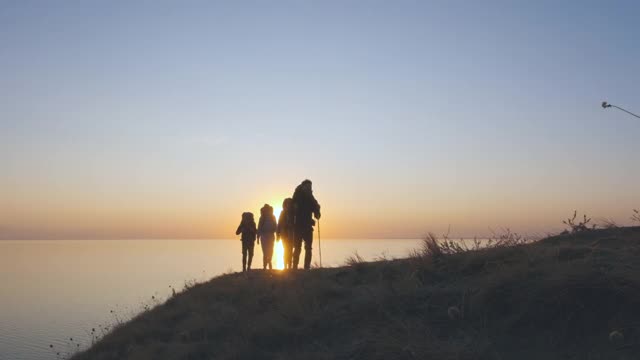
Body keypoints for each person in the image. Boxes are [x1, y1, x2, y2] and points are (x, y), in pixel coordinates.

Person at [292, 179, 321, 270]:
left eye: (310, 187)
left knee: (308, 248)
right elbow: (293, 209)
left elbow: (316, 209)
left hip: (308, 226)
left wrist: (317, 213)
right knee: (297, 248)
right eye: (308, 186)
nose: (309, 188)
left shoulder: (311, 197)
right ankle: (295, 267)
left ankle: (306, 267)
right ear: (303, 187)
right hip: (298, 226)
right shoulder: (297, 196)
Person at [257, 204, 277, 270]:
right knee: (265, 251)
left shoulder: (272, 217)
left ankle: (269, 262)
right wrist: (257, 237)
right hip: (264, 235)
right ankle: (265, 266)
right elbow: (259, 227)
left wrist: (277, 234)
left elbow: (275, 226)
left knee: (270, 251)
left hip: (270, 235)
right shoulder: (262, 217)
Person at [277, 198, 295, 269]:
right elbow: (279, 223)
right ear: (285, 205)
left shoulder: (293, 213)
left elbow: (295, 223)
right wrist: (278, 234)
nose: (288, 205)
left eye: (290, 204)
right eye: (287, 204)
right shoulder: (282, 213)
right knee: (285, 249)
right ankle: (285, 266)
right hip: (284, 234)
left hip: (291, 233)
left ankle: (289, 266)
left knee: (290, 250)